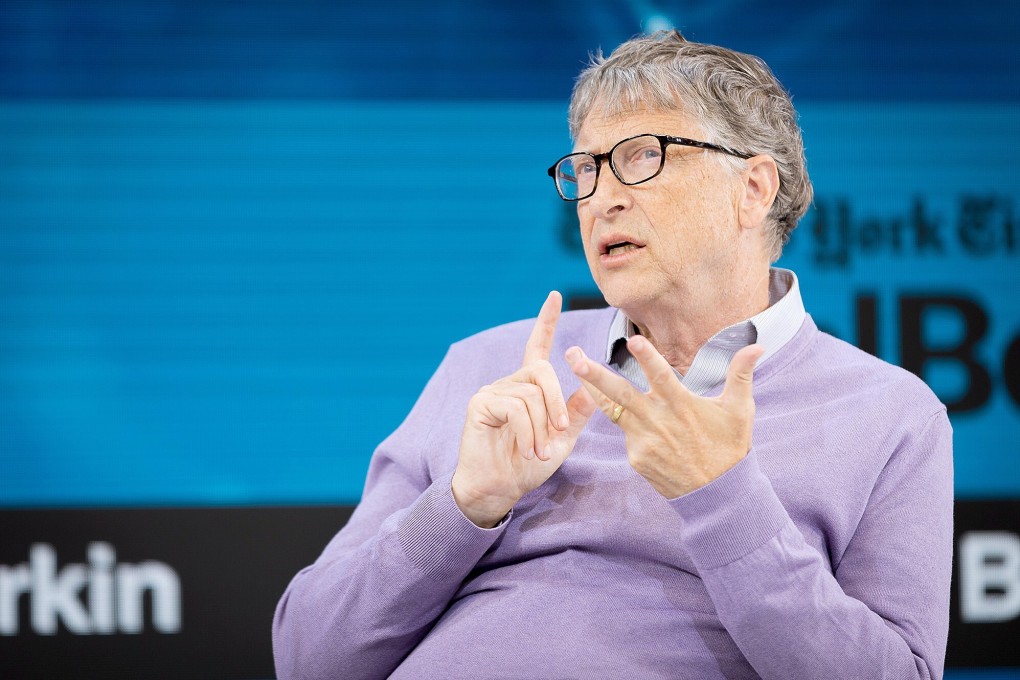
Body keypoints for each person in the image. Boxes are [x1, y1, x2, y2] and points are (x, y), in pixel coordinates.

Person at [272, 30, 953, 680]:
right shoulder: (491, 367)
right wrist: (466, 503)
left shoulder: (890, 416)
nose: (601, 198)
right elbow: (308, 657)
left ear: (753, 190)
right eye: (587, 168)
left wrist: (722, 497)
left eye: (643, 155)